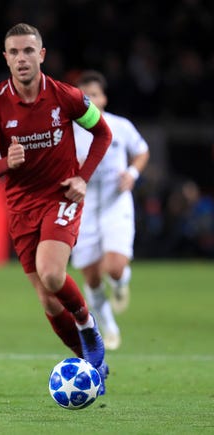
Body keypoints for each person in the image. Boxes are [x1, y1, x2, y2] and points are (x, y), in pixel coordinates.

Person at [0, 23, 112, 394]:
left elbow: (103, 133)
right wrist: (7, 164)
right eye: (15, 52)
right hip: (21, 209)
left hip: (60, 197)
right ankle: (91, 368)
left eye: (28, 51)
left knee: (52, 275)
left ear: (42, 55)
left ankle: (88, 326)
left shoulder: (65, 96)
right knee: (49, 302)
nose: (22, 59)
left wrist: (82, 177)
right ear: (5, 58)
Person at [70, 70, 150, 350]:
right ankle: (109, 326)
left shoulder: (120, 126)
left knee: (114, 267)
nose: (89, 100)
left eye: (93, 94)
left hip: (117, 205)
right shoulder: (70, 132)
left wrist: (132, 173)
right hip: (84, 208)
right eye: (84, 96)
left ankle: (120, 282)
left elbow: (142, 151)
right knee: (91, 276)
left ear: (103, 97)